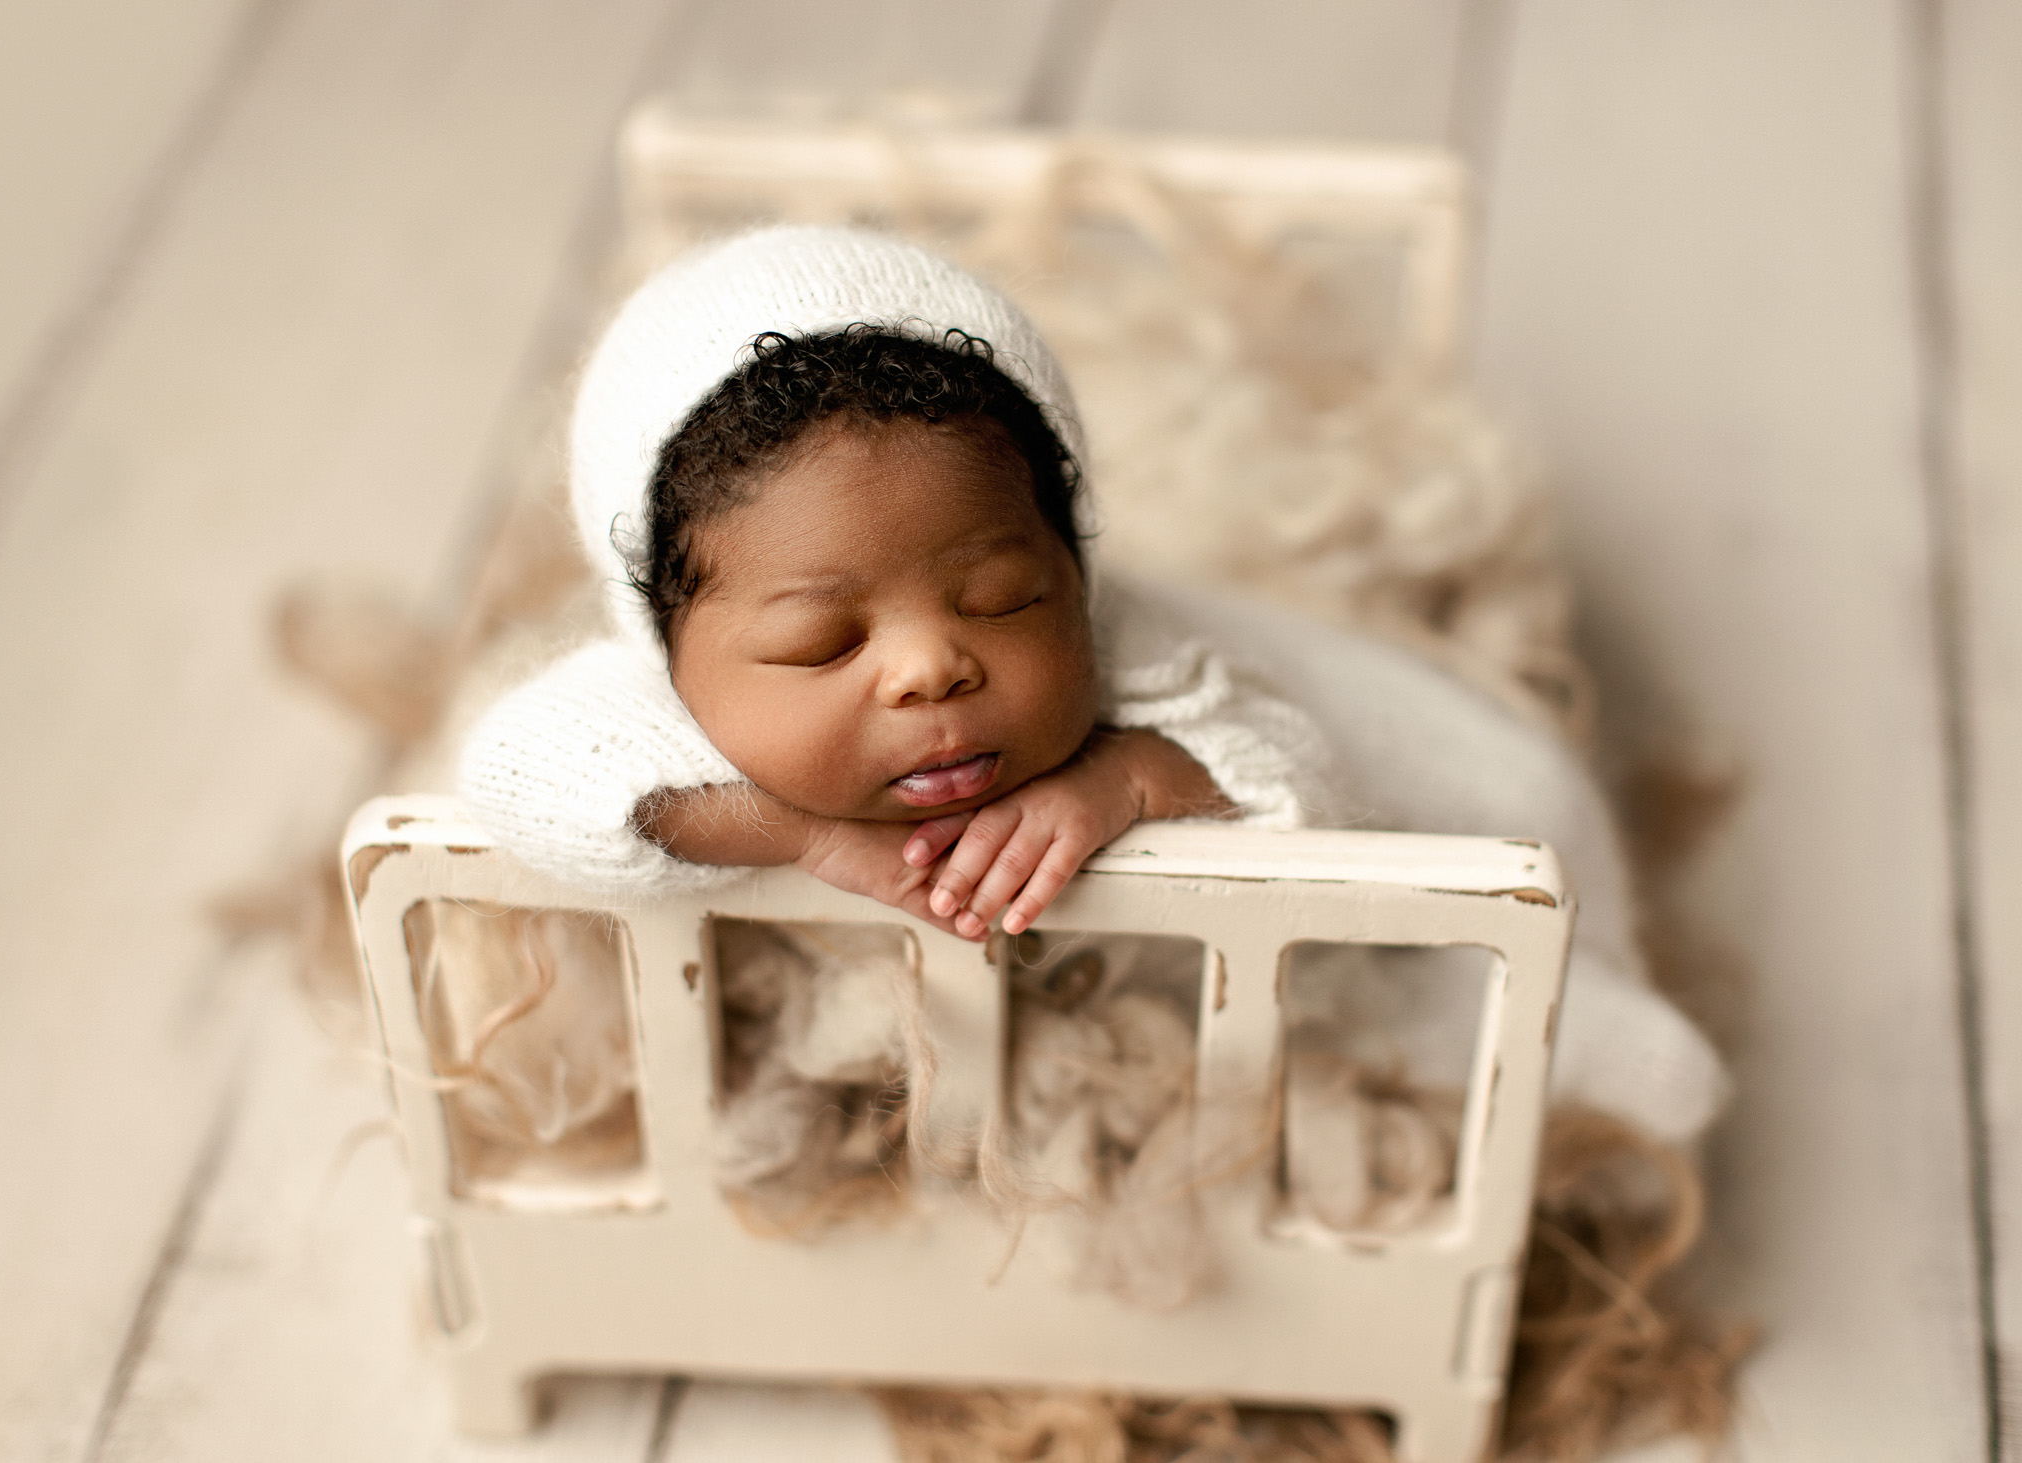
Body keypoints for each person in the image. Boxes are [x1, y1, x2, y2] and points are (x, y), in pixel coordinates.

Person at [459, 225, 1725, 1142]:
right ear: (667, 650)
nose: (931, 663)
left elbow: (1297, 768)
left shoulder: (1136, 653)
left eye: (1002, 596)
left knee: (1453, 963)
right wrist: (801, 832)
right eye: (822, 644)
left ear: (1069, 562)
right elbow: (520, 776)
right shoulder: (647, 702)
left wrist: (1125, 779)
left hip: (1429, 793)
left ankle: (1594, 1030)